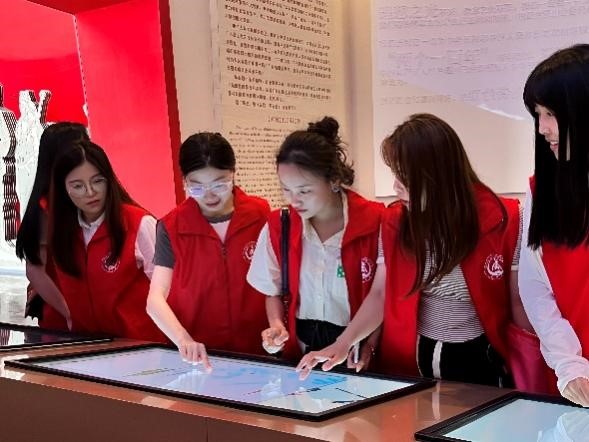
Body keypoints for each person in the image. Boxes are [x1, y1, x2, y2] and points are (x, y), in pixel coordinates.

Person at [297, 114, 527, 387]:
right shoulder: (395, 222)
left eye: (404, 177)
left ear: (440, 175)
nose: (396, 187)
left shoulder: (503, 219)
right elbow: (380, 293)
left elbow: (519, 303)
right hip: (413, 361)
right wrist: (343, 342)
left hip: (480, 361)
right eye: (395, 175)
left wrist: (533, 364)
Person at [247, 116, 383, 370]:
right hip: (302, 349)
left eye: (304, 190)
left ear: (333, 180)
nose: (294, 200)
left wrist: (369, 344)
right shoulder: (281, 225)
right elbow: (272, 291)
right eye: (286, 189)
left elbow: (381, 295)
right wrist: (276, 325)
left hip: (355, 350)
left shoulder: (374, 222)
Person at [147, 132, 270, 369]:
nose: (210, 195)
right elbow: (155, 298)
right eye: (197, 187)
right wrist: (183, 339)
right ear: (184, 181)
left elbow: (274, 284)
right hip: (199, 356)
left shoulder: (260, 214)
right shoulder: (172, 226)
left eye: (219, 184)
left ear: (233, 174)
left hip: (258, 352)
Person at [519, 44, 589, 407]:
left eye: (551, 113)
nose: (543, 128)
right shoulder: (540, 192)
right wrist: (570, 364)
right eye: (538, 114)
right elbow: (534, 288)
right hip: (574, 380)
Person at [43, 140, 162, 340]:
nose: (90, 192)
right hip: (88, 346)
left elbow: (168, 291)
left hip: (140, 346)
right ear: (64, 189)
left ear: (109, 179)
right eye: (78, 186)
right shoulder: (61, 231)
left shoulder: (140, 223)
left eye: (98, 181)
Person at [15, 122, 89, 328]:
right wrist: (69, 313)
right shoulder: (46, 207)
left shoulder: (77, 199)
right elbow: (35, 271)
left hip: (86, 308)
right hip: (62, 317)